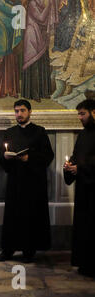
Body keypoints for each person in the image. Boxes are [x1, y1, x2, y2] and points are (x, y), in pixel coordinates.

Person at [0, 99, 54, 263]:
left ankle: (29, 251)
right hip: (15, 181)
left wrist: (30, 158)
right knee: (12, 217)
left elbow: (48, 155)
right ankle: (8, 250)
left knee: (31, 217)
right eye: (16, 111)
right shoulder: (9, 132)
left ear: (29, 112)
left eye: (22, 111)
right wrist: (5, 156)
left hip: (34, 182)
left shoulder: (39, 132)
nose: (19, 114)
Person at [64, 99, 95, 278]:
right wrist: (70, 166)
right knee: (84, 227)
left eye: (82, 113)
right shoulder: (83, 135)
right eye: (79, 114)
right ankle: (85, 263)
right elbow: (77, 156)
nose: (79, 117)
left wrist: (81, 168)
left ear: (94, 112)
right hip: (84, 189)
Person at [21, 0, 58, 102]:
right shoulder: (32, 3)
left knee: (42, 64)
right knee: (34, 65)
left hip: (41, 36)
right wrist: (49, 5)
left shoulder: (40, 3)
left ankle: (44, 92)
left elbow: (45, 20)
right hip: (32, 36)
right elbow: (41, 18)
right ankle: (34, 93)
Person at [0, 0, 23, 99]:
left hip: (10, 34)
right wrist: (22, 6)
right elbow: (12, 10)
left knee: (10, 61)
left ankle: (11, 89)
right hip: (1, 36)